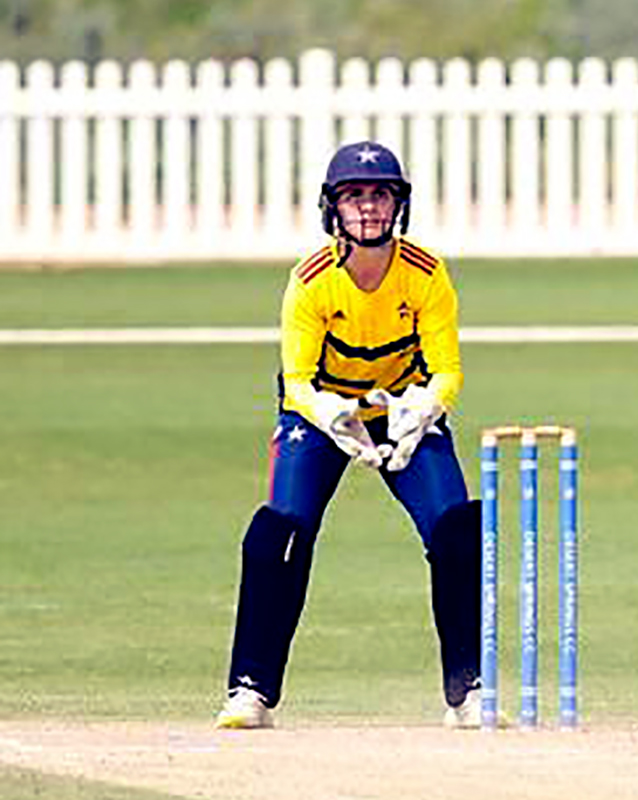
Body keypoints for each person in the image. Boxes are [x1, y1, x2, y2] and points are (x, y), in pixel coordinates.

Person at [216, 141, 483, 730]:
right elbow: (297, 379)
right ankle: (250, 691)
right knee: (281, 532)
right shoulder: (310, 281)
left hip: (404, 410)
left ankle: (468, 689)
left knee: (457, 528)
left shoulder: (426, 274)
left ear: (399, 204)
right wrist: (330, 414)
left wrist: (426, 408)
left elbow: (448, 370)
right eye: (354, 195)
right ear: (332, 207)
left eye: (380, 194)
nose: (368, 207)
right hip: (320, 416)